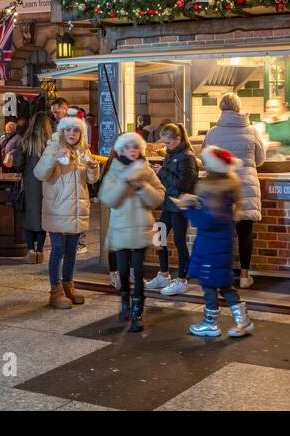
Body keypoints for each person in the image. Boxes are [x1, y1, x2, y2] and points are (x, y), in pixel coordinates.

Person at [180, 147, 254, 337]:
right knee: (218, 283)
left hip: (211, 246)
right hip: (218, 245)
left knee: (214, 283)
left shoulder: (213, 190)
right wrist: (198, 202)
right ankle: (238, 320)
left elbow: (206, 221)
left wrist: (187, 207)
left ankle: (213, 322)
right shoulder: (227, 187)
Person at [99, 131, 165, 331]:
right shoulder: (115, 170)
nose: (132, 151)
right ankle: (125, 303)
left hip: (141, 229)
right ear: (121, 150)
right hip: (120, 229)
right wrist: (125, 183)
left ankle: (138, 312)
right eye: (128, 147)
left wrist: (143, 187)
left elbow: (159, 198)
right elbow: (108, 199)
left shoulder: (147, 170)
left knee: (138, 273)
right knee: (124, 272)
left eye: (135, 147)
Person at [35, 114, 99, 309]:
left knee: (71, 251)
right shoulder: (53, 147)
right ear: (62, 131)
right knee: (58, 249)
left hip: (76, 209)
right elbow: (39, 173)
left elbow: (91, 180)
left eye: (76, 130)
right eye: (68, 130)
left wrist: (92, 166)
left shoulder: (83, 150)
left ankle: (68, 285)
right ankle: (55, 291)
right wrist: (54, 159)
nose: (72, 133)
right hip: (57, 208)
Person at [203, 92, 265, 288]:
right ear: (238, 108)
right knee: (245, 232)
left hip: (222, 188)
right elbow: (260, 159)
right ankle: (245, 276)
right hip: (245, 186)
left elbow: (205, 160)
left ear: (221, 108)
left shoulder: (213, 132)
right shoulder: (252, 130)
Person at [147, 122, 198, 296]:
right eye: (164, 143)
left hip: (180, 206)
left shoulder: (187, 157)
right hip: (169, 203)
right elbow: (170, 180)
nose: (165, 146)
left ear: (178, 139)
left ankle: (182, 280)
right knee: (158, 236)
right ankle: (163, 274)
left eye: (168, 143)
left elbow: (184, 184)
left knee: (179, 242)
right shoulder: (170, 154)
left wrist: (162, 172)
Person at [14, 112, 52, 263]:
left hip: (30, 183)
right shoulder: (51, 142)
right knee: (43, 217)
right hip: (48, 183)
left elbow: (18, 164)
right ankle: (40, 251)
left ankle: (30, 251)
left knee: (30, 217)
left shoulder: (25, 141)